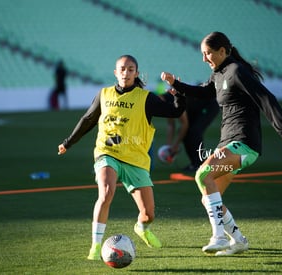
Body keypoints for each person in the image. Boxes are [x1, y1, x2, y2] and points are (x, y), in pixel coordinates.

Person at [161, 31, 282, 256]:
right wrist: (176, 84)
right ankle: (239, 240)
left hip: (244, 143)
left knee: (203, 174)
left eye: (208, 53)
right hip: (230, 143)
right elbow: (204, 92)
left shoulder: (236, 71)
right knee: (209, 198)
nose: (204, 59)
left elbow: (266, 98)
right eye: (202, 54)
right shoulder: (219, 73)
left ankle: (218, 237)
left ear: (223, 51)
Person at [58, 55, 186, 260]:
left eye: (130, 69)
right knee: (106, 192)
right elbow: (88, 119)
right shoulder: (104, 94)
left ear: (136, 73)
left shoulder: (146, 98)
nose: (126, 72)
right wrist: (68, 142)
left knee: (149, 214)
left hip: (136, 159)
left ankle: (142, 228)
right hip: (107, 153)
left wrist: (178, 92)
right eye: (122, 69)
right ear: (115, 72)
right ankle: (96, 246)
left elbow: (176, 111)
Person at [160, 90, 219, 172]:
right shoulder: (164, 103)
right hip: (194, 108)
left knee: (194, 132)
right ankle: (195, 164)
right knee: (185, 132)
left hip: (209, 105)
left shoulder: (174, 101)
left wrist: (176, 145)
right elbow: (171, 125)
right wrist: (169, 145)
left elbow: (185, 124)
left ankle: (200, 164)